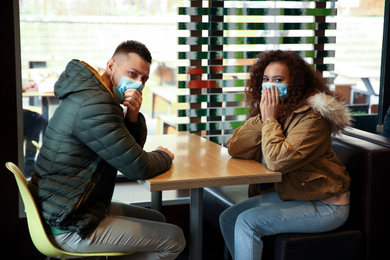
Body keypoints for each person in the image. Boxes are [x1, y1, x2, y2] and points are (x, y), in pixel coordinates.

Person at [28, 40, 186, 259]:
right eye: (132, 73)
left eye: (144, 79)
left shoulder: (92, 95)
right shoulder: (97, 105)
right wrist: (165, 156)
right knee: (175, 239)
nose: (138, 84)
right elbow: (138, 167)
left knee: (157, 219)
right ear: (111, 66)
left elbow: (126, 152)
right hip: (69, 223)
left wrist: (132, 116)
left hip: (67, 206)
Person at [219, 50, 352, 260]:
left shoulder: (313, 118)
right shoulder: (279, 112)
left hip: (326, 204)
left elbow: (277, 162)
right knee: (229, 217)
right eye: (265, 79)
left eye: (278, 80)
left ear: (295, 84)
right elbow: (235, 148)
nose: (270, 86)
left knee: (246, 222)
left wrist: (270, 119)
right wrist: (264, 118)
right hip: (295, 193)